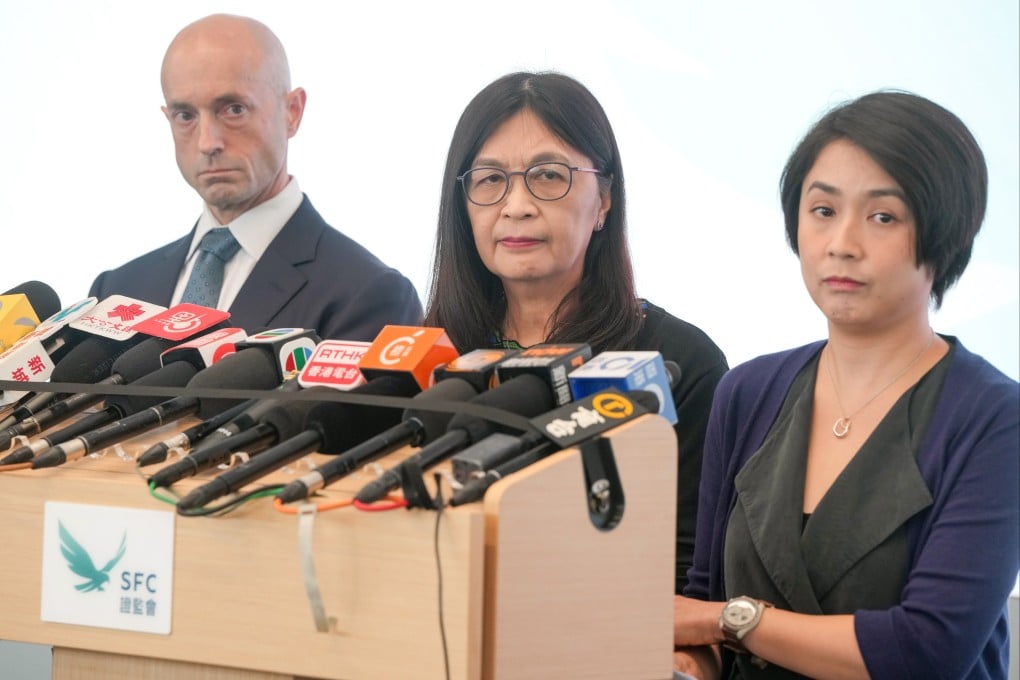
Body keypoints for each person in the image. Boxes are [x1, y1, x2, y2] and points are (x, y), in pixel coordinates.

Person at [673, 91, 1019, 679]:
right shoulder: (748, 391)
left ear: (946, 232)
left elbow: (925, 650)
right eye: (823, 211)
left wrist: (734, 621)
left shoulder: (994, 418)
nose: (842, 244)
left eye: (883, 216)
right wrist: (688, 666)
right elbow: (699, 606)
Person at [424, 71, 728, 593]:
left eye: (548, 175)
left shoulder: (680, 361)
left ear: (604, 201)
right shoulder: (433, 352)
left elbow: (689, 567)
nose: (515, 205)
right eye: (490, 179)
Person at [89, 14, 422, 341]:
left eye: (233, 109)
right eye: (185, 115)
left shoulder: (368, 294)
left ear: (292, 112)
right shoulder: (117, 291)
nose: (208, 143)